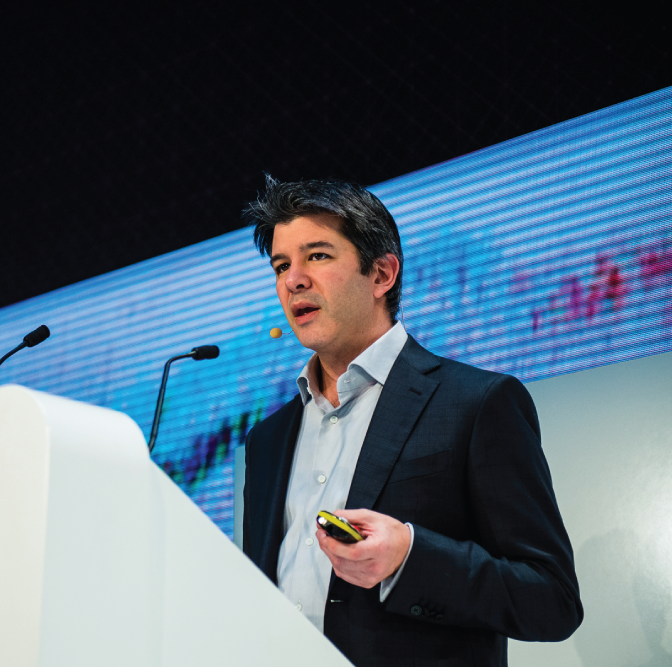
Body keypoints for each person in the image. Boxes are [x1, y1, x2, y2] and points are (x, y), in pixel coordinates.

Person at [241, 176, 582, 667]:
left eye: (317, 256)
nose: (293, 280)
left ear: (382, 274)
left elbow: (551, 600)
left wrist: (410, 557)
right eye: (281, 265)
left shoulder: (477, 402)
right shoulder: (267, 439)